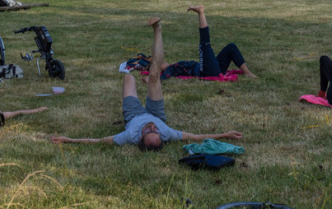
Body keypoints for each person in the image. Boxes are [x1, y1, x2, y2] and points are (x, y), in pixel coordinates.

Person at [50, 17, 244, 150]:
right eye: (155, 130)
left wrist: (68, 140)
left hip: (133, 114)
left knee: (129, 77)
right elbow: (196, 137)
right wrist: (224, 134)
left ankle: (134, 69)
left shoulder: (128, 136)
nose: (152, 127)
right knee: (154, 75)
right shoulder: (166, 131)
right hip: (156, 111)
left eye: (148, 130)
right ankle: (157, 28)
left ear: (139, 137)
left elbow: (97, 140)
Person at [156, 5, 257, 80]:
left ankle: (247, 72)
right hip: (205, 72)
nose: (164, 62)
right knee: (204, 45)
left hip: (212, 68)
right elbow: (163, 76)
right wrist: (153, 78)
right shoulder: (171, 69)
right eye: (161, 64)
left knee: (231, 47)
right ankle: (201, 13)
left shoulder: (174, 67)